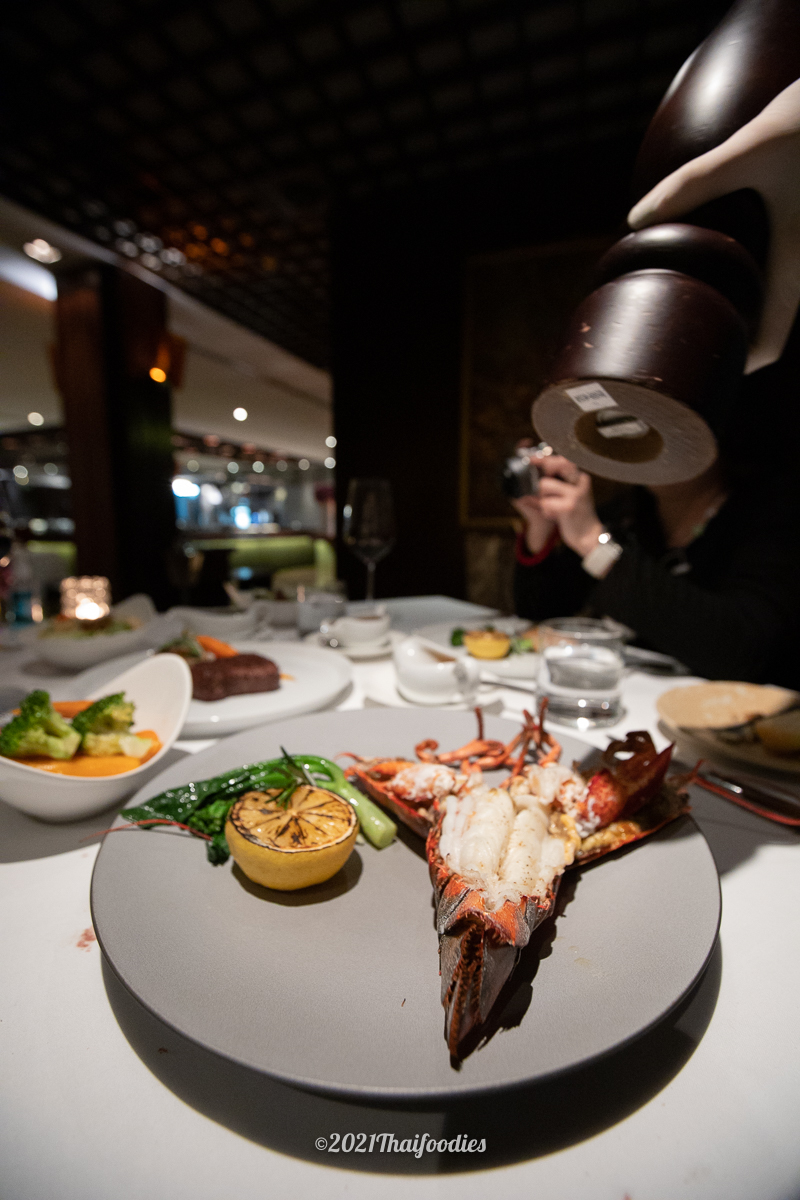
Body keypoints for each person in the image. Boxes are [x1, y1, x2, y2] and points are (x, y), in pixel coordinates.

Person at [511, 447, 800, 686]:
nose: (649, 442)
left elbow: (743, 652)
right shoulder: (628, 513)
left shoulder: (771, 516)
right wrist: (541, 526)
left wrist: (594, 543)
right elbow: (540, 613)